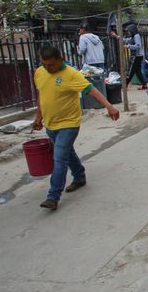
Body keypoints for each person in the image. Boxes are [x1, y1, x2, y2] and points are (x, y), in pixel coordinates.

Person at [32, 46, 120, 210]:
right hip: (51, 124)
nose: (47, 68)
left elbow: (92, 90)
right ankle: (79, 176)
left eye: (50, 64)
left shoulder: (72, 75)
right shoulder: (39, 73)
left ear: (60, 59)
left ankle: (53, 196)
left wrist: (110, 106)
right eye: (44, 64)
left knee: (59, 159)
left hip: (69, 124)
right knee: (66, 153)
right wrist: (38, 117)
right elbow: (42, 96)